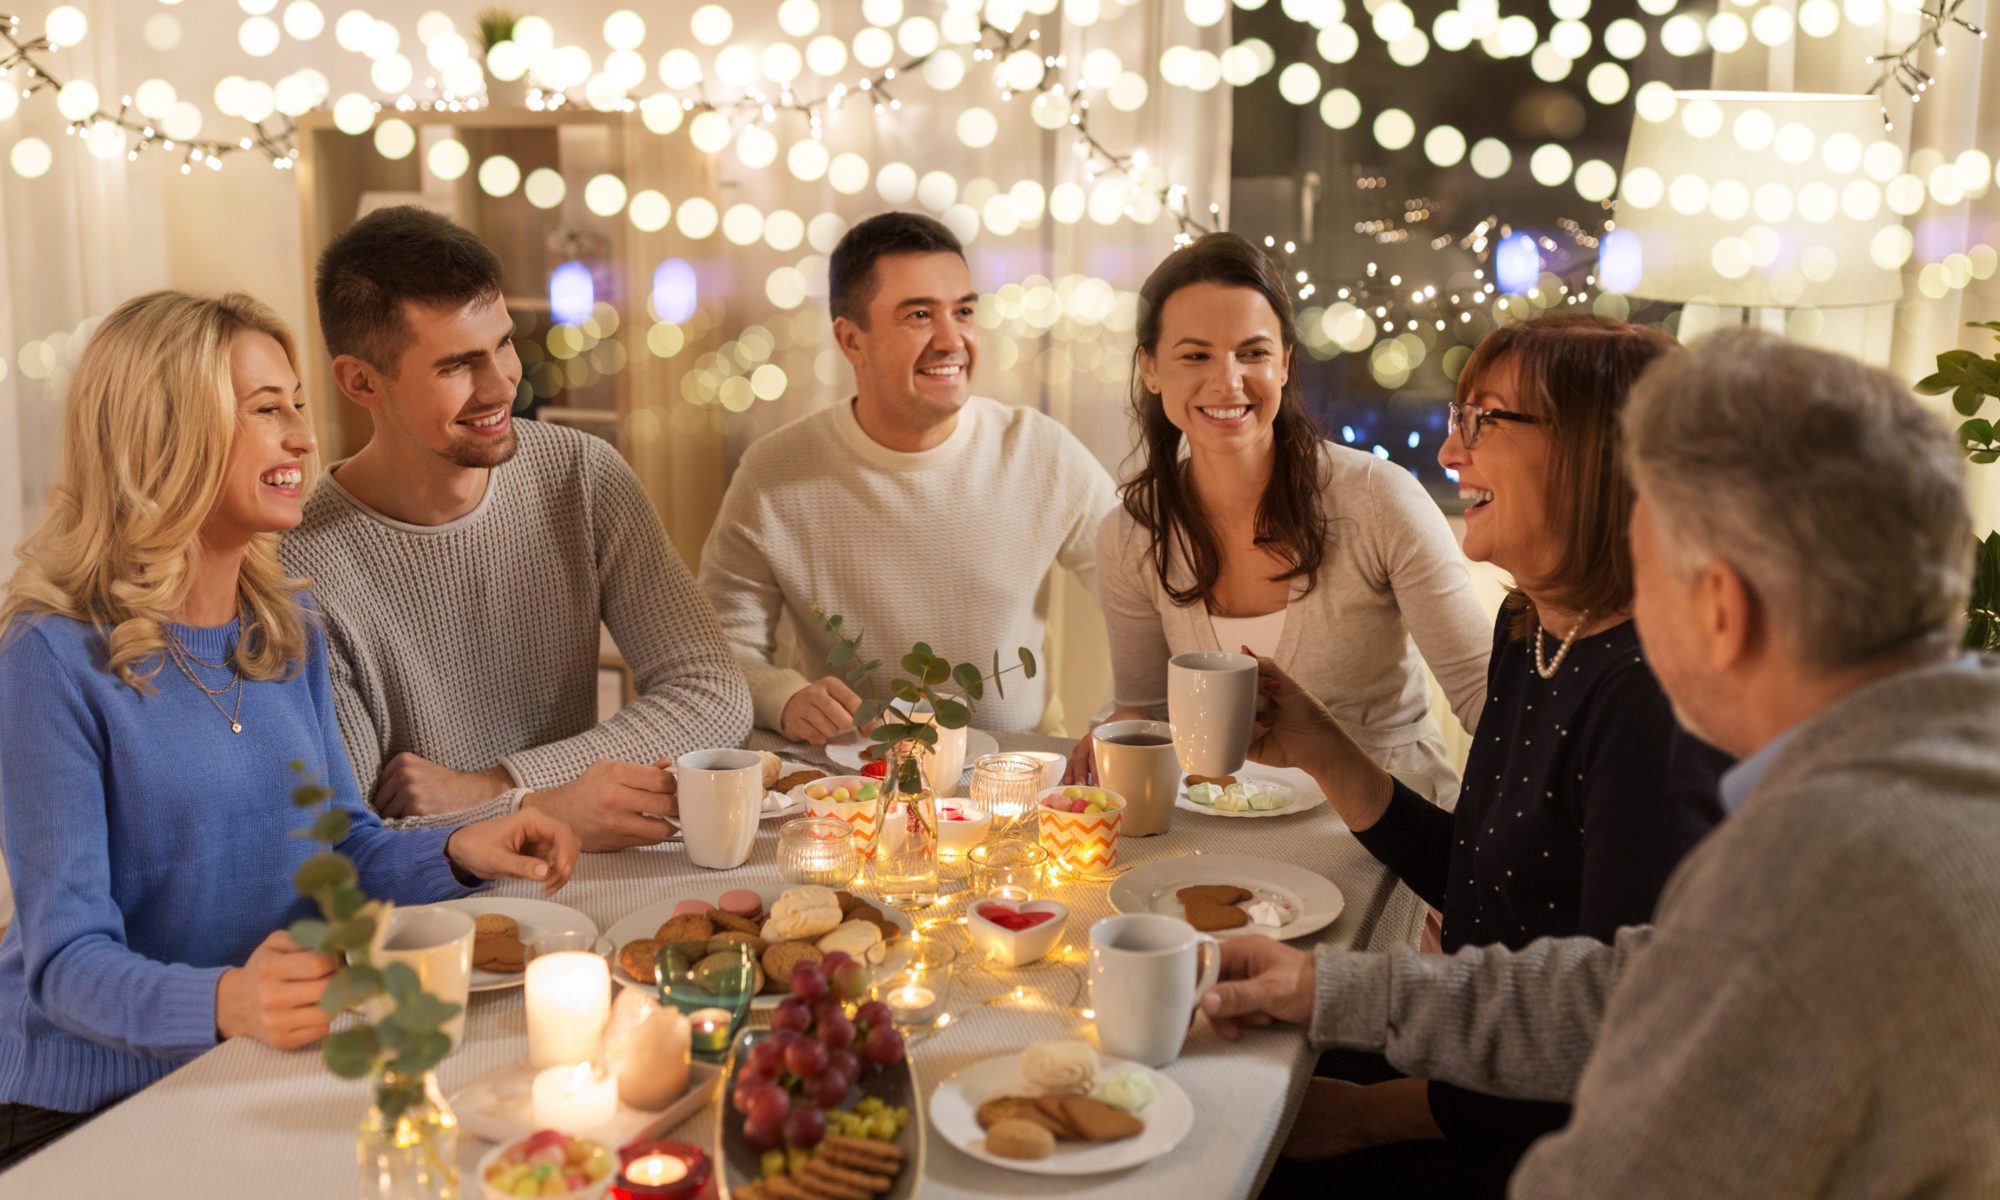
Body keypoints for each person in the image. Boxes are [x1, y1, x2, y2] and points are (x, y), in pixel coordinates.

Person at [1205, 329, 2000, 1197]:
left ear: (1721, 609)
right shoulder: (1949, 765)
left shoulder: (1802, 883)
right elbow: (1630, 985)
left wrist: (1362, 1103)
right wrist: (1333, 989)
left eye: (1649, 566)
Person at [0, 292, 579, 1169]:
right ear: (167, 432)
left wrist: (459, 851)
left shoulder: (282, 631)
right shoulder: (51, 655)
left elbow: (339, 849)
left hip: (250, 1062)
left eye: (299, 405)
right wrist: (227, 1002)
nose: (306, 439)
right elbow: (65, 963)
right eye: (268, 410)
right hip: (78, 1107)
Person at [1257, 314, 1728, 1197]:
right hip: (1473, 1072)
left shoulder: (1652, 696)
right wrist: (1318, 745)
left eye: (1483, 421)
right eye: (1456, 416)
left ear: (1597, 448)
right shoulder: (1533, 628)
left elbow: (1607, 1033)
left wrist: (1370, 1115)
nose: (1447, 453)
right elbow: (1483, 879)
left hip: (1542, 1146)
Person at [280, 207, 752, 852]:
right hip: (438, 915)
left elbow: (715, 695)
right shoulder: (302, 564)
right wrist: (552, 808)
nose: (501, 383)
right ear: (360, 381)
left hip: (583, 879)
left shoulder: (581, 474)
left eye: (503, 342)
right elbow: (358, 836)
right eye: (456, 365)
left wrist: (506, 787)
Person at [1079, 231, 1489, 807]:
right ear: (1149, 368)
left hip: (1395, 841)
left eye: (1253, 353)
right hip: (1219, 827)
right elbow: (1145, 709)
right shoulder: (1132, 532)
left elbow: (1483, 697)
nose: (1228, 381)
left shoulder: (1378, 498)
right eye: (1195, 355)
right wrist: (1108, 739)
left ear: (1286, 362)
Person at [699, 211, 1117, 743]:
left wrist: (1116, 724)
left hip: (1016, 775)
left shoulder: (1040, 451)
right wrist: (782, 697)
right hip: (851, 781)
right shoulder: (773, 474)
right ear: (851, 341)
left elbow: (1145, 596)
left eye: (963, 312)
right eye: (919, 315)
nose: (951, 340)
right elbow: (718, 647)